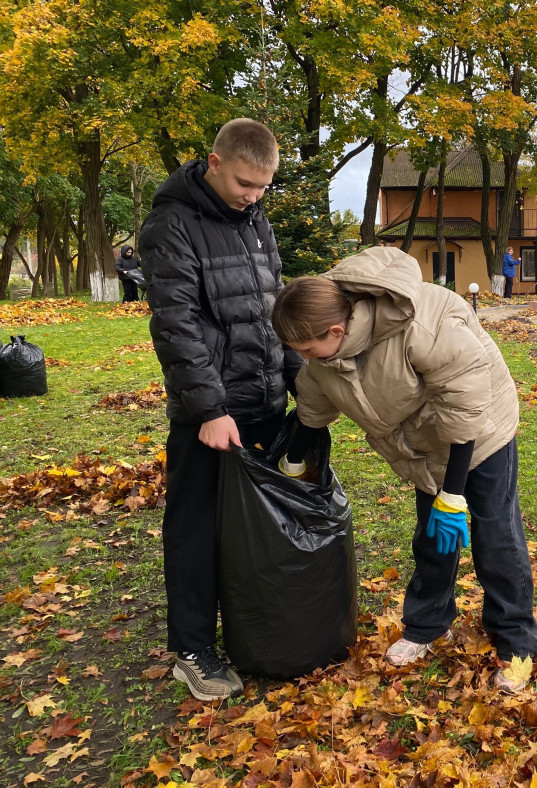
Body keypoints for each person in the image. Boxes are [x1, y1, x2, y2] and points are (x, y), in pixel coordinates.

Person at [271, 247, 537, 693]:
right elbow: (312, 406)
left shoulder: (420, 326)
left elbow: (466, 406)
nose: (303, 357)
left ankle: (516, 642)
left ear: (336, 330)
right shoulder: (325, 359)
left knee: (495, 533)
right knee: (432, 536)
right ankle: (428, 624)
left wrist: (453, 494)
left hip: (482, 430)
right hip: (424, 445)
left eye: (306, 347)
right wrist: (294, 460)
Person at [140, 118, 302, 702]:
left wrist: (298, 377)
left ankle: (248, 628)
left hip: (263, 402)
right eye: (243, 184)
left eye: (263, 188)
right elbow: (176, 324)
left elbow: (274, 307)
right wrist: (209, 409)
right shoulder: (170, 225)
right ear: (213, 162)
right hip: (208, 416)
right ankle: (191, 649)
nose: (253, 197)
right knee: (196, 531)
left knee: (252, 532)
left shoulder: (254, 220)